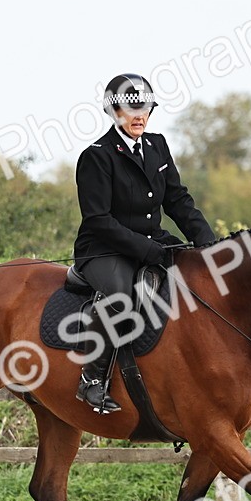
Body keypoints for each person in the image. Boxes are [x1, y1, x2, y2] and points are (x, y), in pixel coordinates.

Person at [73, 73, 217, 413]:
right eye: (131, 110)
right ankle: (92, 380)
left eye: (145, 109)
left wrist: (209, 244)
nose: (139, 116)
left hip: (154, 241)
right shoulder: (97, 156)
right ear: (114, 112)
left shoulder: (157, 146)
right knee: (121, 296)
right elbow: (98, 220)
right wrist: (145, 248)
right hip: (104, 249)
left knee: (197, 277)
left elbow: (178, 200)